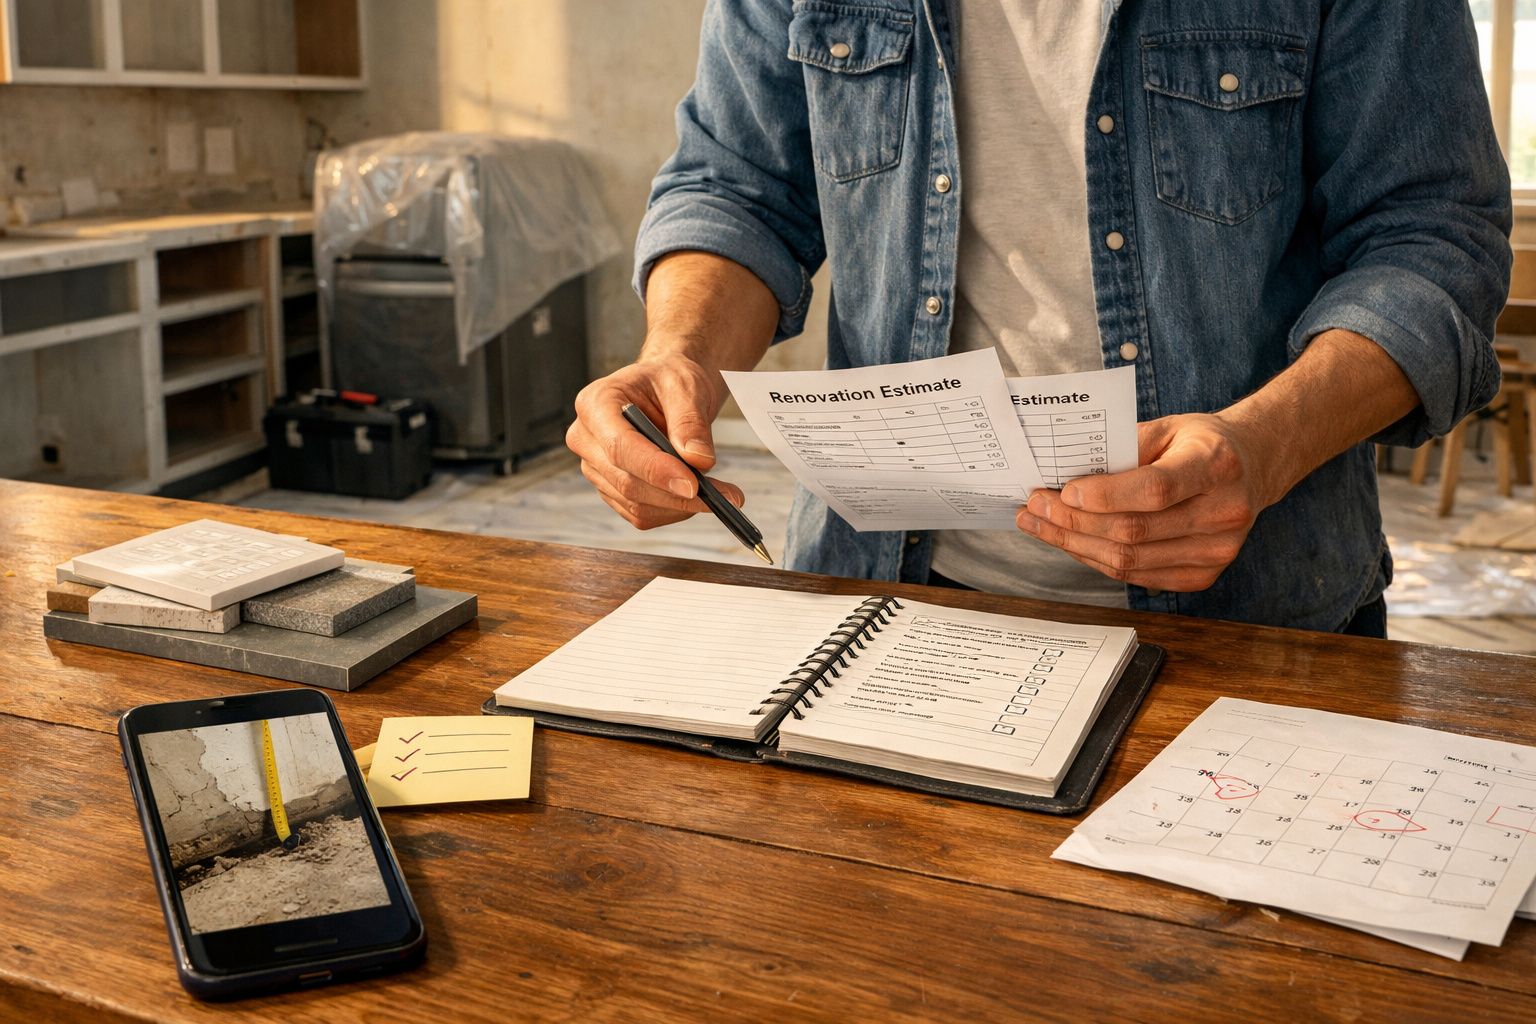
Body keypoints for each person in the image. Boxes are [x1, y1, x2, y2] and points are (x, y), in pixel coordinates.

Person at [566, 0, 1511, 635]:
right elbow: (739, 188)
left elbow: (1431, 238)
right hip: (881, 593)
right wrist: (677, 356)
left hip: (1253, 613)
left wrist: (1260, 447)